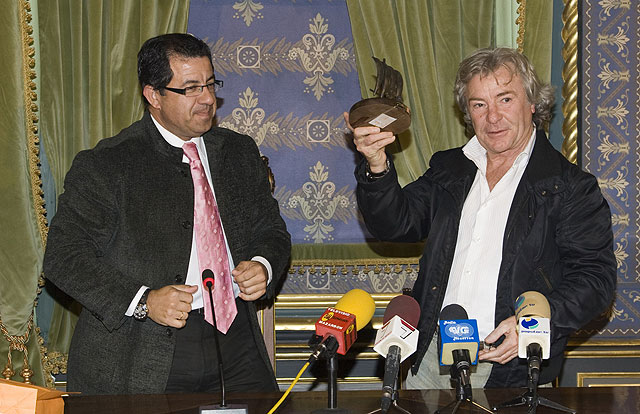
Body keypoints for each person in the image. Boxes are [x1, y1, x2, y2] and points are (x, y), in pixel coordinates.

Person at [347, 48, 616, 388]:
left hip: (511, 366)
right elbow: (396, 224)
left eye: (505, 99)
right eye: (479, 104)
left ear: (532, 103)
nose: (493, 117)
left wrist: (533, 325)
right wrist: (376, 165)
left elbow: (595, 281)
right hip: (431, 360)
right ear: (467, 112)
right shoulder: (449, 168)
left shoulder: (570, 186)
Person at [43, 33, 291, 395]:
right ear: (153, 96)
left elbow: (271, 229)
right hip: (143, 350)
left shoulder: (238, 152)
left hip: (237, 343)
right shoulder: (107, 164)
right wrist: (144, 300)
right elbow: (63, 257)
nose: (207, 99)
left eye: (210, 84)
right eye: (190, 89)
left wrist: (263, 264)